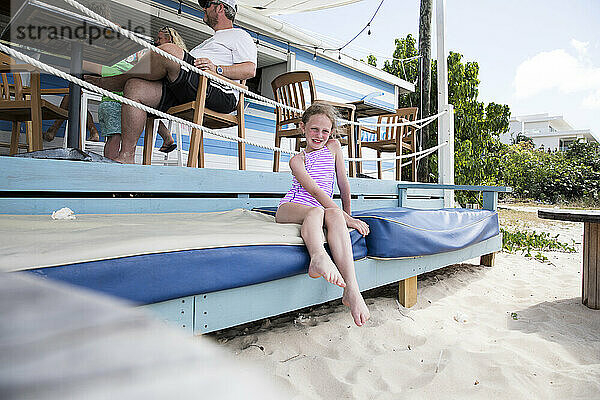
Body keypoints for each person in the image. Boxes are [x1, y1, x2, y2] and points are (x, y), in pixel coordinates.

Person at [85, 0, 257, 164]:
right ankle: (126, 155)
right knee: (134, 87)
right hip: (188, 88)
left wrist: (217, 69)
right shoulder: (208, 42)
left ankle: (117, 82)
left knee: (170, 50)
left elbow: (250, 70)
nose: (203, 9)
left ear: (220, 8)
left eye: (207, 5)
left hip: (217, 90)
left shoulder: (240, 35)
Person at [275, 103, 371, 327]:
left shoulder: (334, 147)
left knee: (333, 216)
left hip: (322, 208)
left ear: (331, 133)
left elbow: (343, 183)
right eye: (314, 129)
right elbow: (315, 192)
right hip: (291, 207)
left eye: (325, 131)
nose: (319, 135)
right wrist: (346, 218)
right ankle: (317, 257)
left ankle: (352, 290)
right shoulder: (297, 160)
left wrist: (347, 215)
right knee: (319, 211)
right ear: (303, 128)